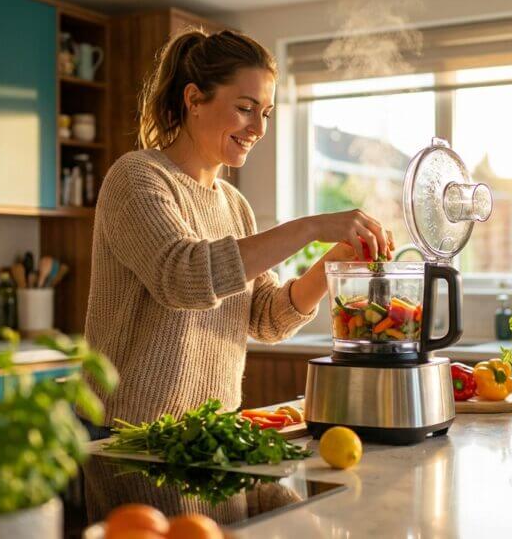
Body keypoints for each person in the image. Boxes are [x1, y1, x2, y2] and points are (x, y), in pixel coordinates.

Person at [86, 28, 393, 433]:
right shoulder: (137, 177)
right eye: (246, 108)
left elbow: (267, 318)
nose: (259, 128)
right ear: (194, 99)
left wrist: (333, 262)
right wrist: (313, 225)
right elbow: (184, 277)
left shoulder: (234, 205)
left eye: (265, 113)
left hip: (213, 432)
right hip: (130, 436)